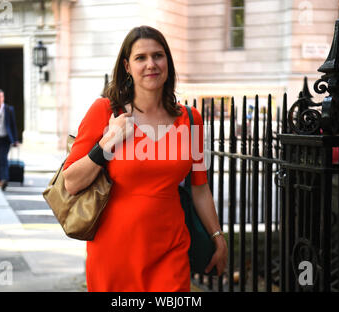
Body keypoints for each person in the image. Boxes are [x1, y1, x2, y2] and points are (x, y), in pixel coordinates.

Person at [62, 26, 228, 292]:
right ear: (127, 66)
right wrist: (107, 143)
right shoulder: (105, 111)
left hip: (171, 249)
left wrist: (217, 236)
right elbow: (70, 182)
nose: (151, 64)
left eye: (158, 56)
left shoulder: (191, 119)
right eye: (141, 58)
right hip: (113, 252)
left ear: (167, 62)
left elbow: (199, 186)